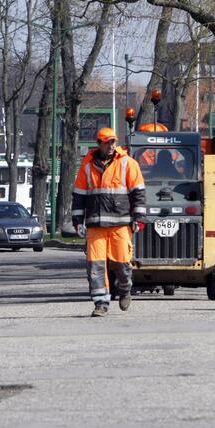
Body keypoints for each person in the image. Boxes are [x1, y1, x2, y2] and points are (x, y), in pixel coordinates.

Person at [72, 127, 146, 317]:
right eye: (107, 142)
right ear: (99, 144)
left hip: (120, 224)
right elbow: (79, 195)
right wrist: (78, 221)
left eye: (113, 141)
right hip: (96, 225)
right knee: (95, 267)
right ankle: (101, 304)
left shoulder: (127, 164)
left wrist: (139, 218)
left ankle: (124, 289)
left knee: (122, 264)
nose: (111, 145)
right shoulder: (87, 166)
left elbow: (138, 193)